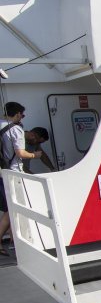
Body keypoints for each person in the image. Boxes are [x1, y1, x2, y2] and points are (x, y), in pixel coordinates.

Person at [0, 102, 44, 255]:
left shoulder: (1, 125)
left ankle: (16, 243)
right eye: (22, 114)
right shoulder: (16, 129)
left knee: (10, 209)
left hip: (2, 171)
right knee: (12, 210)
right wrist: (34, 155)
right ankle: (16, 243)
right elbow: (20, 153)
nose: (22, 117)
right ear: (17, 114)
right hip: (14, 173)